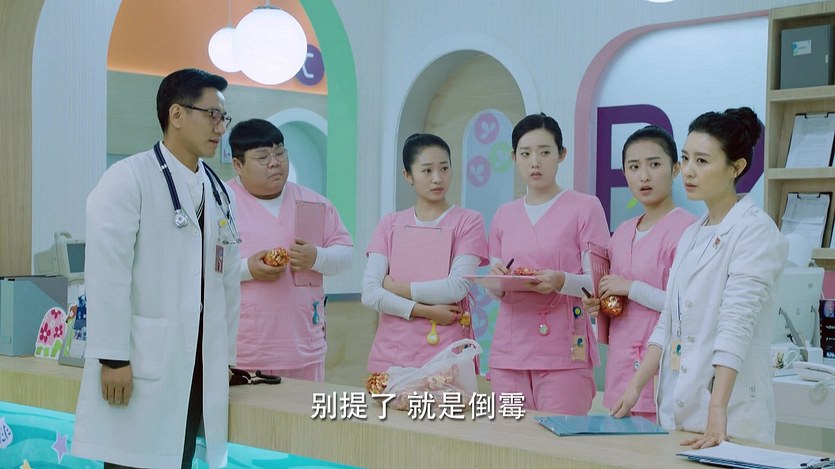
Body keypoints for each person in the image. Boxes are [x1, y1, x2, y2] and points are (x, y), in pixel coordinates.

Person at [72, 68, 241, 469]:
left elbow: (228, 282)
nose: (220, 128)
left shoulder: (218, 191)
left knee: (180, 458)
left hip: (199, 365)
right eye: (212, 115)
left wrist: (226, 358)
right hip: (139, 363)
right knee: (135, 458)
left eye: (223, 117)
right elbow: (107, 273)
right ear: (176, 114)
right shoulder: (128, 179)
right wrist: (112, 357)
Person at [611, 107, 788, 448]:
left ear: (736, 168)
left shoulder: (755, 232)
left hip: (730, 416)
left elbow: (736, 325)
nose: (689, 171)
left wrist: (717, 409)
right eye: (686, 158)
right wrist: (635, 387)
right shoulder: (693, 233)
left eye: (703, 161)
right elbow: (669, 320)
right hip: (681, 410)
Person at [486, 113, 610, 414]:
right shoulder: (504, 215)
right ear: (514, 157)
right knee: (510, 439)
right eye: (525, 154)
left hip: (563, 350)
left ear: (561, 154)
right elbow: (496, 286)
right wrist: (496, 280)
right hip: (510, 351)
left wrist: (561, 281)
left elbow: (599, 281)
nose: (535, 162)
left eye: (544, 152)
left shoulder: (585, 207)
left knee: (560, 439)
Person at [582, 126, 696, 423]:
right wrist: (601, 305)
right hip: (621, 368)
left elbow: (686, 305)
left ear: (675, 169)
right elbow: (617, 300)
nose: (644, 176)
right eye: (634, 167)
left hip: (664, 367)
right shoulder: (621, 233)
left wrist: (630, 287)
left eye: (654, 164)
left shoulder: (688, 230)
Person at [227, 118, 353, 382]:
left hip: (304, 347)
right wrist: (247, 269)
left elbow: (345, 255)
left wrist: (317, 257)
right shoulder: (222, 203)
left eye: (280, 152)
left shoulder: (314, 203)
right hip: (245, 351)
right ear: (238, 164)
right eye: (262, 157)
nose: (274, 162)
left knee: (304, 409)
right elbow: (200, 265)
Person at [362, 133, 488, 372]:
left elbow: (456, 287)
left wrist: (394, 288)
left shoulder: (468, 221)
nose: (437, 178)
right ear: (408, 175)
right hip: (391, 352)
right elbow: (369, 293)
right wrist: (427, 310)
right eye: (427, 170)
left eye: (444, 168)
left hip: (445, 352)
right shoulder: (390, 224)